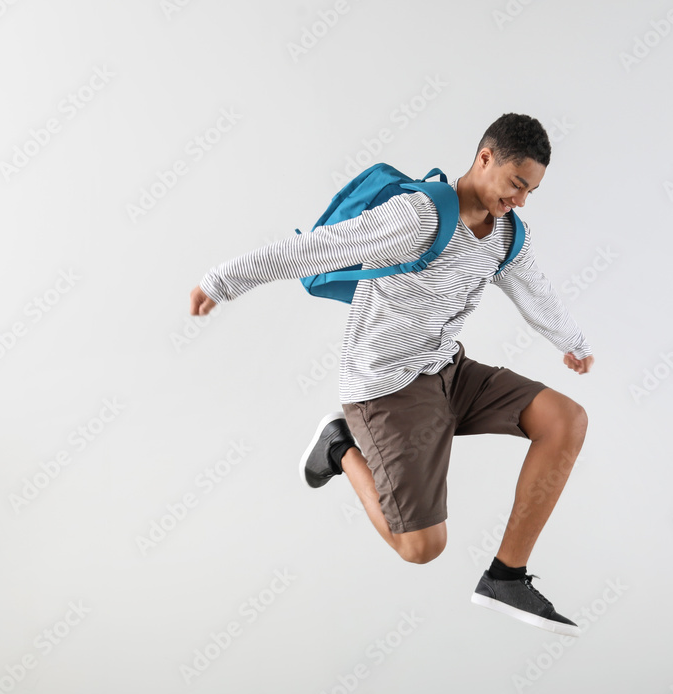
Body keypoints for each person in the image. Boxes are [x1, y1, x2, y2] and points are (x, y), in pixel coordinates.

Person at [189, 113, 594, 636]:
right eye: (516, 184)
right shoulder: (419, 217)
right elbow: (318, 248)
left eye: (531, 191)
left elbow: (536, 291)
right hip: (386, 388)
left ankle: (506, 577)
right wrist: (224, 280)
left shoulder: (506, 235)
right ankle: (339, 444)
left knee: (566, 419)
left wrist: (573, 344)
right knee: (421, 547)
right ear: (484, 158)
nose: (519, 200)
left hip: (447, 368)